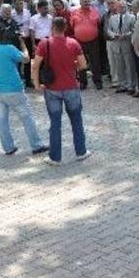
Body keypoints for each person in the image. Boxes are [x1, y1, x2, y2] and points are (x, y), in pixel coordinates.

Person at [0, 21, 49, 156]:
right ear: (1, 33)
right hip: (13, 89)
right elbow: (26, 59)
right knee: (26, 117)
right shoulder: (9, 49)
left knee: (2, 121)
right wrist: (23, 44)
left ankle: (8, 147)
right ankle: (36, 145)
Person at [32, 17, 90, 166]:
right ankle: (81, 152)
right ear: (65, 28)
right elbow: (83, 65)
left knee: (55, 123)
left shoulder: (44, 43)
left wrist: (36, 84)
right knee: (76, 121)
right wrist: (73, 66)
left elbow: (35, 66)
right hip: (71, 86)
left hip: (52, 89)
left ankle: (55, 157)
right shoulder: (73, 43)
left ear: (52, 27)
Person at [106, 0, 137, 94]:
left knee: (129, 66)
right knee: (119, 66)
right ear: (117, 7)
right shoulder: (112, 18)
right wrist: (113, 35)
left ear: (126, 7)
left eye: (123, 6)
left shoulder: (132, 17)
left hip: (127, 44)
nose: (122, 8)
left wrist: (126, 35)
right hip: (116, 44)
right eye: (120, 6)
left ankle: (131, 85)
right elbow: (108, 30)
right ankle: (122, 84)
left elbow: (134, 30)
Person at [70, 0, 102, 90]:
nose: (87, 3)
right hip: (79, 41)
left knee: (95, 62)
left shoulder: (95, 12)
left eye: (88, 1)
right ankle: (83, 82)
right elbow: (72, 26)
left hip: (93, 41)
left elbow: (99, 24)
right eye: (85, 1)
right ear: (80, 2)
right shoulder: (74, 12)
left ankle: (98, 81)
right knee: (81, 62)